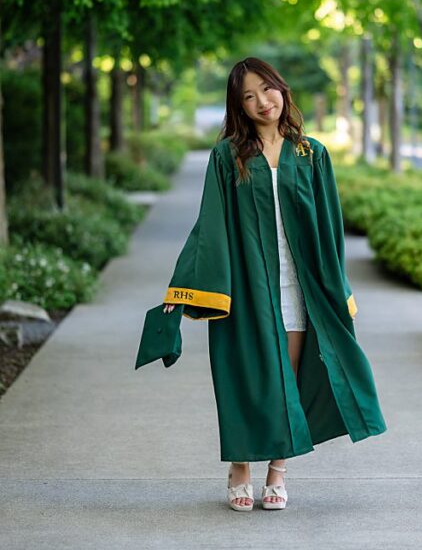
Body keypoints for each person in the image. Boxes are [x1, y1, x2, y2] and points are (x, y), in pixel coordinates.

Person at [145, 56, 386, 511]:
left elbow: (330, 225)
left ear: (282, 88)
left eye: (266, 89)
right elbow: (209, 224)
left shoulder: (310, 153)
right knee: (247, 378)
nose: (261, 102)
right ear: (238, 106)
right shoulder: (228, 156)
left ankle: (278, 469)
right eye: (248, 97)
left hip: (299, 285)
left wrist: (340, 289)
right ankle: (240, 467)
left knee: (288, 378)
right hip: (247, 285)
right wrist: (183, 287)